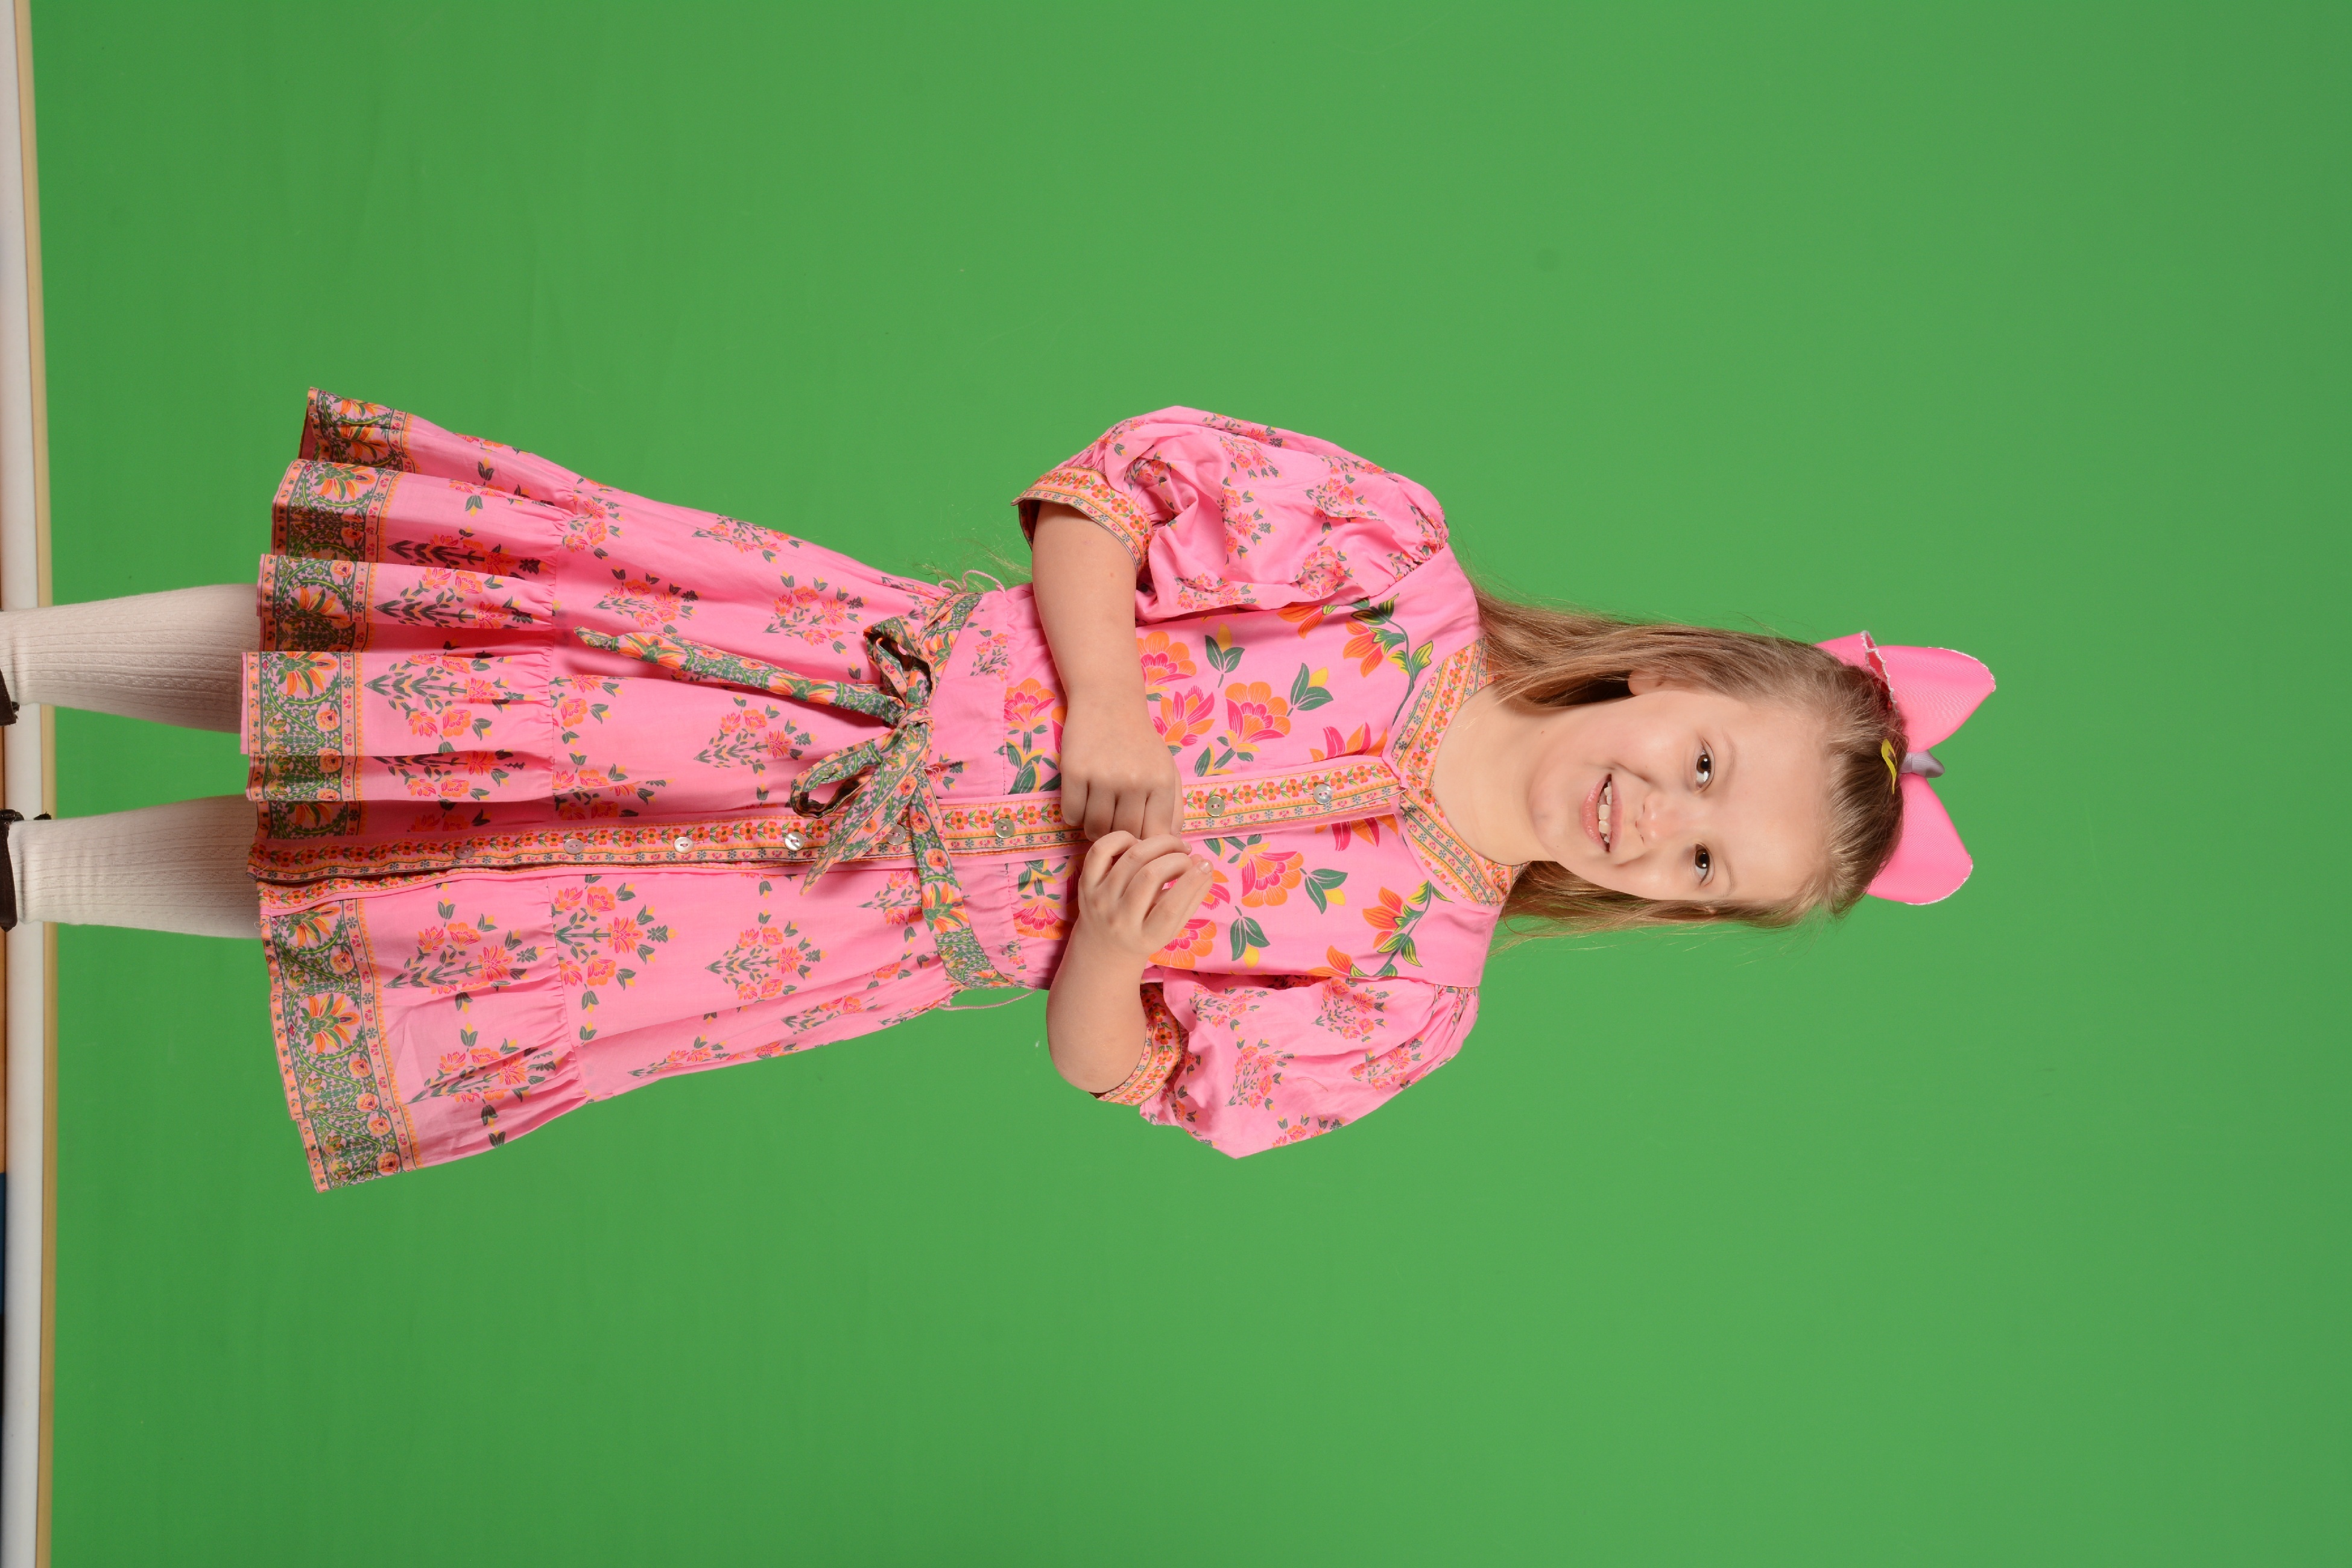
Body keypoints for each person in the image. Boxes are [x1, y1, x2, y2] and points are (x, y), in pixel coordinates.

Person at [0, 392, 1991, 1189]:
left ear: (1669, 909)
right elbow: (1104, 491)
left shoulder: (1408, 999)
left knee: (435, 889)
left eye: (1704, 860)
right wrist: (1105, 692)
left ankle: (31, 871)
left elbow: (1125, 1074)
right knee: (429, 691)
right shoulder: (1388, 570)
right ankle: (19, 654)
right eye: (1702, 761)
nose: (1656, 812)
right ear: (1671, 672)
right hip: (815, 678)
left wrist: (1105, 956)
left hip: (834, 928)